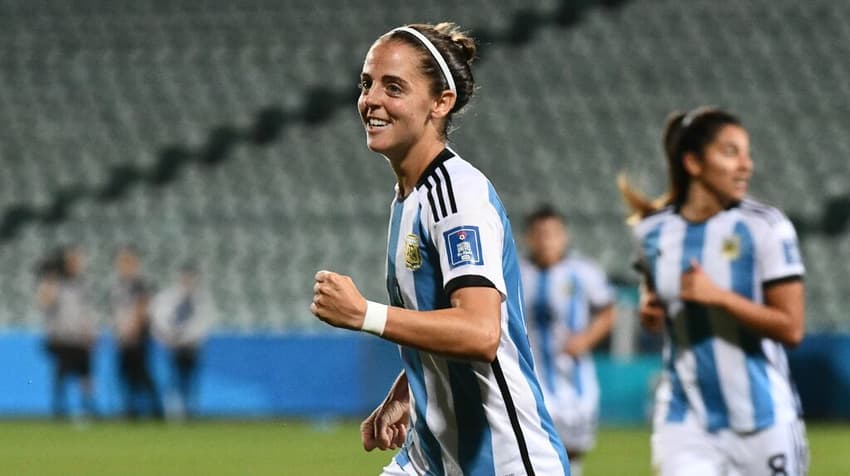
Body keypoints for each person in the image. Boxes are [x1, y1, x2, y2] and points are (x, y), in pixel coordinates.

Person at [310, 22, 570, 475]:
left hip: (501, 462)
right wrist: (407, 389)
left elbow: (480, 332)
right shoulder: (410, 196)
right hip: (430, 457)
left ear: (440, 103)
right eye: (367, 84)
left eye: (394, 87)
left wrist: (364, 315)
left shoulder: (457, 196)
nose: (371, 100)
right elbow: (439, 317)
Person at [619, 107, 809, 476]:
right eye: (731, 152)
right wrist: (650, 311)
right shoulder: (651, 233)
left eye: (746, 153)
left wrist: (719, 296)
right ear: (693, 163)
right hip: (684, 418)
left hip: (763, 419)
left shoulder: (767, 227)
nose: (746, 165)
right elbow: (654, 298)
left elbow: (792, 328)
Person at [519, 205, 615, 476]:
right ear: (529, 238)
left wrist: (586, 339)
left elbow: (607, 311)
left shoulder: (583, 272)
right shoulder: (517, 273)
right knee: (535, 450)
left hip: (576, 379)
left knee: (572, 452)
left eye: (552, 233)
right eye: (539, 234)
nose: (546, 240)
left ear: (564, 236)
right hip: (532, 377)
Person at [35, 245, 98, 420]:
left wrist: (91, 331)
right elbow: (44, 303)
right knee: (61, 374)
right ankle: (59, 408)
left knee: (86, 375)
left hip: (80, 337)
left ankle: (88, 408)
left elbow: (88, 311)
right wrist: (51, 278)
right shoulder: (55, 283)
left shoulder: (83, 284)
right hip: (62, 338)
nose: (75, 265)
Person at [151, 263, 215, 420]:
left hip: (192, 347)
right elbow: (160, 319)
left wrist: (184, 336)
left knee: (191, 381)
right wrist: (171, 337)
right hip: (174, 347)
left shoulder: (201, 299)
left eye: (190, 277)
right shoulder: (169, 297)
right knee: (173, 380)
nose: (188, 280)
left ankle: (190, 411)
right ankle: (174, 412)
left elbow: (204, 324)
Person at [111, 245, 163, 420]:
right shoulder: (118, 285)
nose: (123, 266)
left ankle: (157, 410)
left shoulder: (139, 284)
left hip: (138, 336)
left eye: (127, 262)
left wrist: (134, 328)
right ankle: (131, 410)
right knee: (126, 374)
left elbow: (143, 307)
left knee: (142, 373)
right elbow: (118, 311)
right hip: (123, 336)